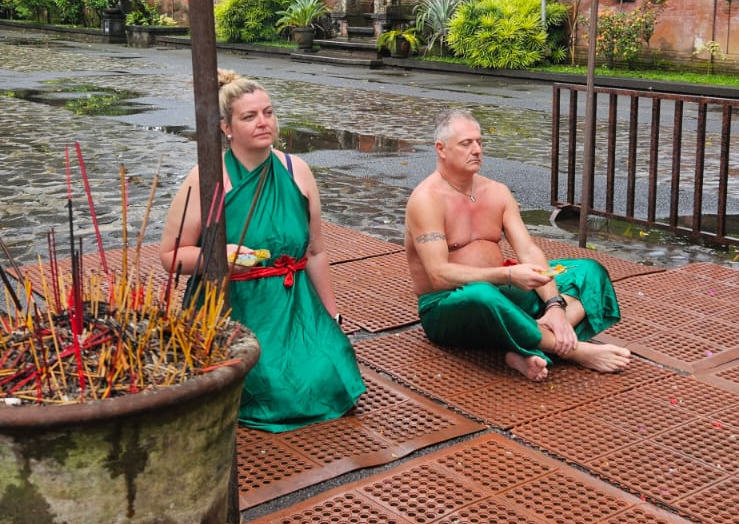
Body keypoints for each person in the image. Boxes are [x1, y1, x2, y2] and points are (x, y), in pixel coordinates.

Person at [159, 72, 366, 430]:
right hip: (234, 306)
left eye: (268, 113)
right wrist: (214, 258)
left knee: (328, 377)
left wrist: (333, 317)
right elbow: (171, 256)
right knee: (272, 390)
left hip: (295, 306)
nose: (263, 122)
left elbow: (315, 252)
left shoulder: (295, 169)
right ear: (226, 127)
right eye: (249, 116)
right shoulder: (206, 177)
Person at [405, 109, 630, 383]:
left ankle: (526, 342)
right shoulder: (426, 200)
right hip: (450, 306)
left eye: (479, 142)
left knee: (589, 271)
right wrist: (508, 275)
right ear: (441, 149)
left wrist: (555, 306)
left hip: (504, 292)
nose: (476, 150)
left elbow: (529, 252)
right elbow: (438, 275)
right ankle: (574, 350)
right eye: (466, 143)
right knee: (481, 295)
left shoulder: (497, 192)